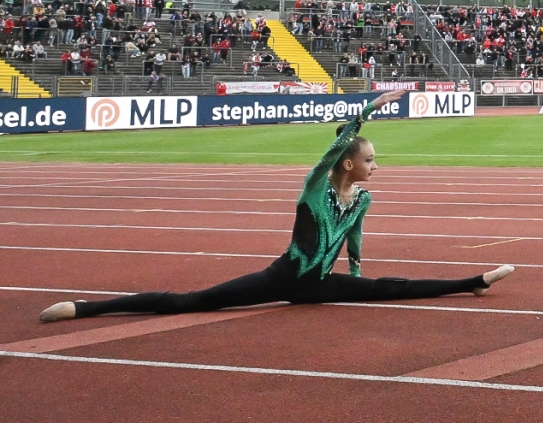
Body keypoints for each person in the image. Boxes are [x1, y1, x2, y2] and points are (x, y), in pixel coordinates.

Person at [38, 90, 512, 322]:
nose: (376, 166)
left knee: (390, 288)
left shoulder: (363, 198)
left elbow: (355, 240)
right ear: (348, 163)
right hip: (284, 277)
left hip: (320, 284)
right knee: (190, 303)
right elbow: (333, 149)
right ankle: (86, 308)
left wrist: (358, 276)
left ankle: (472, 282)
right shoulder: (315, 188)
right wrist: (371, 108)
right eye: (369, 159)